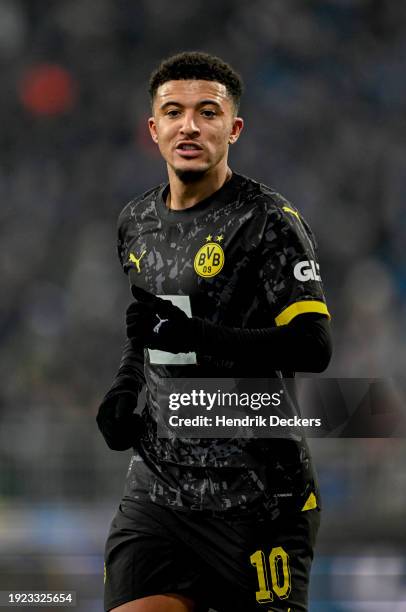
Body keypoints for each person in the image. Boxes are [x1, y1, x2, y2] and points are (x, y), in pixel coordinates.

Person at [97, 51, 332, 612]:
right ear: (154, 129)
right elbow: (150, 325)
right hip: (158, 494)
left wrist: (197, 337)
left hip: (259, 501)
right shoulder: (137, 222)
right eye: (174, 112)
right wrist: (125, 386)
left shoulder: (269, 222)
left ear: (234, 128)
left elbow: (313, 347)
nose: (190, 125)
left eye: (208, 112)